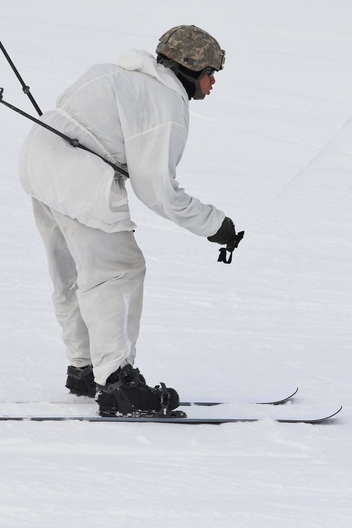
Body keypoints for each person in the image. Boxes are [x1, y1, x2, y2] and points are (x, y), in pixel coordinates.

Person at [18, 25, 237, 416]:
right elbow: (158, 191)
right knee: (118, 270)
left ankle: (84, 368)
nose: (214, 81)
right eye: (210, 71)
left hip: (38, 158)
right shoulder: (166, 105)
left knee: (73, 273)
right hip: (78, 176)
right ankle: (117, 381)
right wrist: (215, 226)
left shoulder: (114, 72)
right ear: (189, 69)